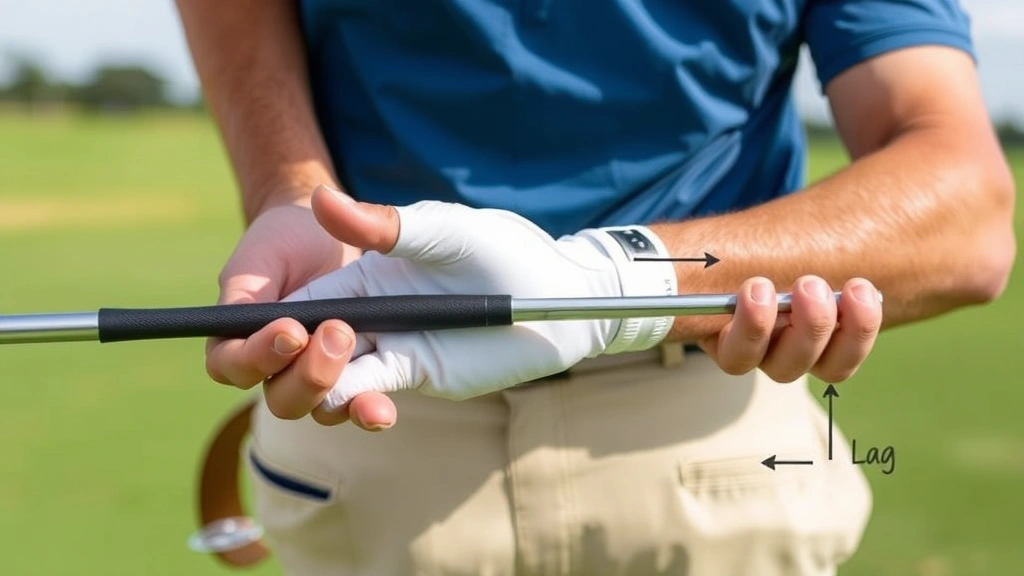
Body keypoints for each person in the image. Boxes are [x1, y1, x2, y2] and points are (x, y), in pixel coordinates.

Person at [175, 0, 1016, 574]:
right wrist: (289, 187)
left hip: (704, 418)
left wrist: (611, 285)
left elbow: (966, 210)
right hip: (371, 400)